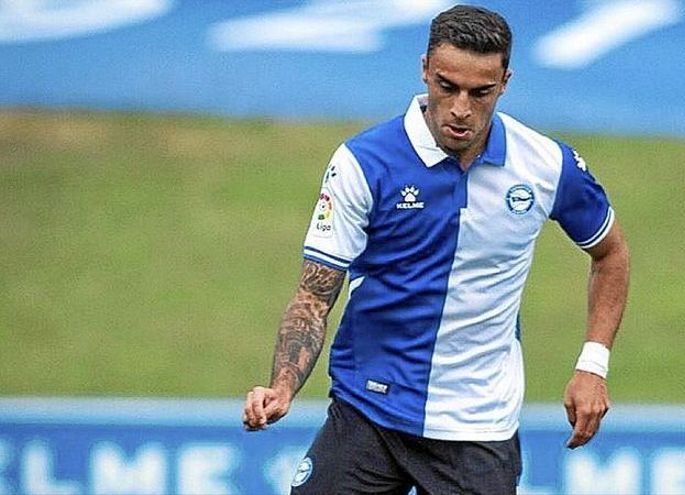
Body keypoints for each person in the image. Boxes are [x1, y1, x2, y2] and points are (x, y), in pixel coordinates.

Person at [242, 4, 630, 494]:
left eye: (480, 92)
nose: (461, 109)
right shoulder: (363, 163)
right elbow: (314, 295)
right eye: (447, 87)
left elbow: (610, 253)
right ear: (425, 69)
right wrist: (281, 386)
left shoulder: (547, 165)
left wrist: (592, 366)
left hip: (478, 432)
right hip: (369, 413)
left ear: (505, 82)